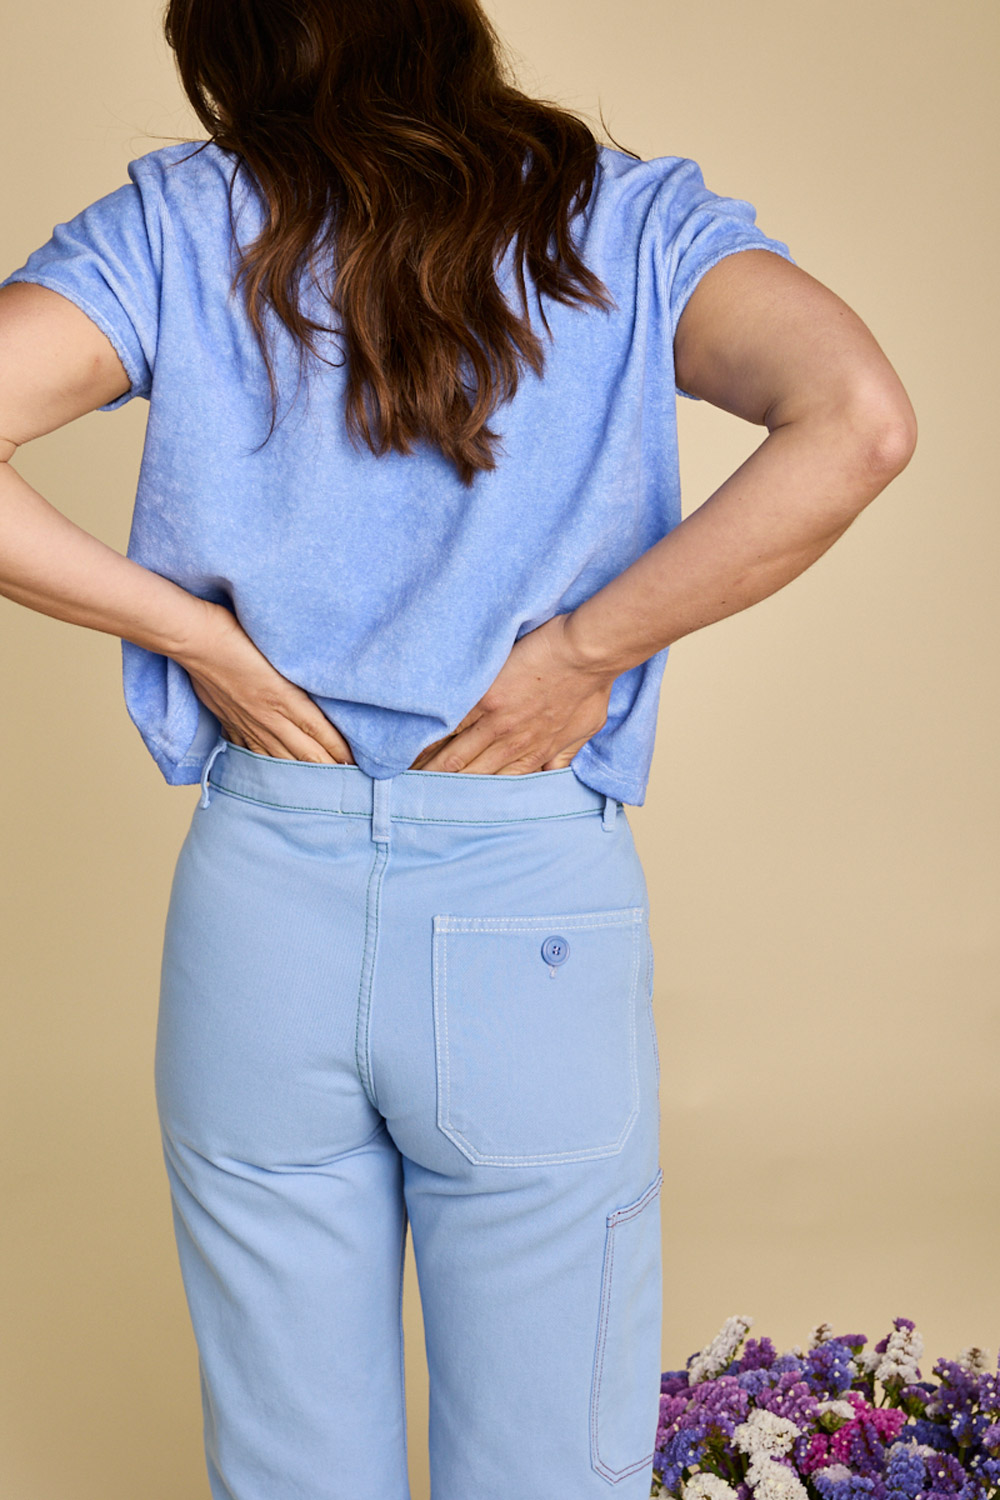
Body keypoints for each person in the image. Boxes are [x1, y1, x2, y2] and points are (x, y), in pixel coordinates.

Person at [0, 1, 917, 1497]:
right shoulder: (629, 224)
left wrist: (198, 638)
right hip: (523, 888)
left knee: (288, 1466)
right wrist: (584, 653)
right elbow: (861, 420)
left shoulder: (174, 223)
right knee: (552, 1464)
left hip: (265, 886)